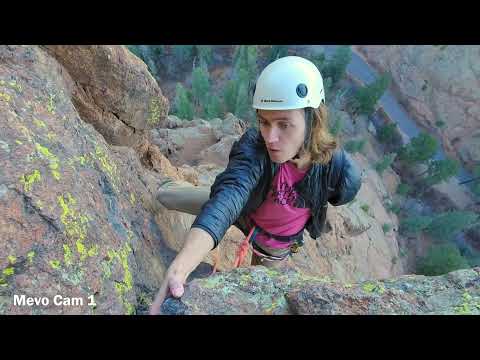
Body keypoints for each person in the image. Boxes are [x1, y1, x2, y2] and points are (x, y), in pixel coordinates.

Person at [149, 56, 361, 315]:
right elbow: (229, 197)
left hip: (274, 244)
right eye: (264, 121)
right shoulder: (255, 145)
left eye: (284, 124)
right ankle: (162, 188)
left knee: (259, 298)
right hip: (242, 210)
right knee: (168, 196)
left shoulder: (337, 169)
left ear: (313, 121)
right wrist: (180, 268)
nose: (270, 137)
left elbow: (332, 197)